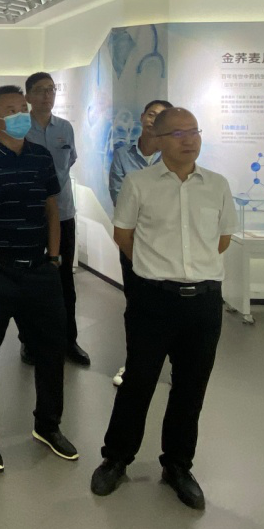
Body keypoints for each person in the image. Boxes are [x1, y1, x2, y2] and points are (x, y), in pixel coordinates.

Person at [90, 107, 237, 510]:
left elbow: (223, 238)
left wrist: (192, 269)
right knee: (138, 382)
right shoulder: (139, 183)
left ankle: (178, 465)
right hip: (153, 300)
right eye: (178, 133)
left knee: (191, 388)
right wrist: (156, 268)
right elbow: (123, 235)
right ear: (158, 138)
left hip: (204, 302)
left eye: (194, 132)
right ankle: (116, 458)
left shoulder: (217, 185)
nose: (189, 140)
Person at [0, 85, 77, 472]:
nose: (21, 114)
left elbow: (51, 209)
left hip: (40, 271)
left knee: (51, 352)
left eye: (22, 107)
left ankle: (48, 425)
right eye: (11, 110)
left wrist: (54, 259)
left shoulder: (41, 157)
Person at [20, 72, 89, 367]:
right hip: (31, 217)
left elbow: (68, 162)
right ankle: (29, 341)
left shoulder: (65, 128)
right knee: (31, 280)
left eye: (51, 89)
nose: (47, 95)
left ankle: (68, 340)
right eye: (40, 90)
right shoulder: (20, 128)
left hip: (63, 214)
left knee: (64, 281)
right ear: (28, 96)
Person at [107, 100, 172, 386]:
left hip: (168, 246)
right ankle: (134, 364)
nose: (154, 119)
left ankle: (172, 364)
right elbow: (120, 199)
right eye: (151, 113)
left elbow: (174, 206)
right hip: (132, 244)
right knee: (136, 306)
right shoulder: (123, 155)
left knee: (169, 308)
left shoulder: (173, 157)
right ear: (143, 117)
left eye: (161, 116)